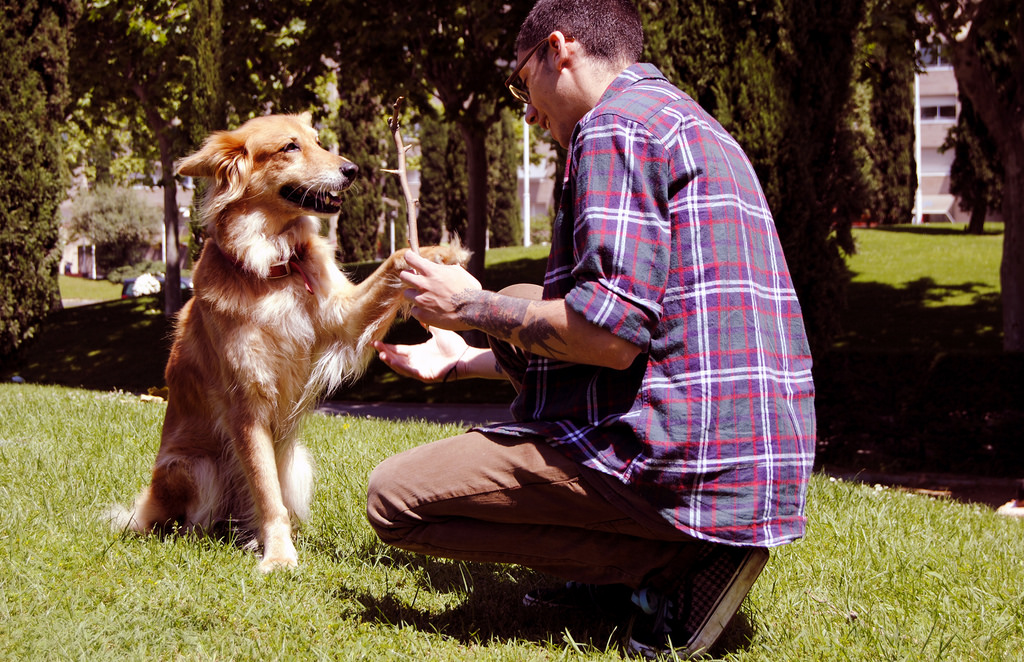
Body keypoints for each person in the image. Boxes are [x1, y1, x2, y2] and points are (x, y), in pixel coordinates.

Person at [366, 0, 816, 656]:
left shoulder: (613, 127)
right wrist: (466, 359)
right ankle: (623, 570)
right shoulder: (686, 122)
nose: (525, 109)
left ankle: (671, 564)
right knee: (526, 298)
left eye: (521, 82)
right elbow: (654, 328)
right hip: (749, 456)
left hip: (689, 466)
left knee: (393, 498)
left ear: (558, 49)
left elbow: (608, 339)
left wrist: (468, 305)